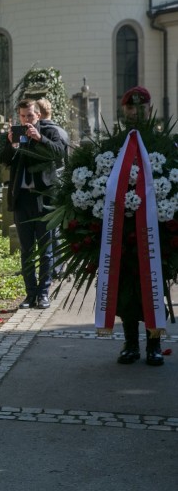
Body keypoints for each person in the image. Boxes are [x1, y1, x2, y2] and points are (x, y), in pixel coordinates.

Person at [113, 85, 164, 366]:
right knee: (126, 289)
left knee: (154, 286)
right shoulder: (114, 142)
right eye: (130, 108)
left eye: (140, 107)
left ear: (148, 108)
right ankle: (130, 343)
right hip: (125, 227)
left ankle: (154, 345)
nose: (135, 113)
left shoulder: (161, 141)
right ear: (124, 111)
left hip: (156, 228)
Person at [0, 98, 65, 310]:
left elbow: (59, 153)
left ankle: (44, 294)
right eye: (22, 116)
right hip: (22, 200)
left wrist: (39, 139)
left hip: (44, 198)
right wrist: (11, 144)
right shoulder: (17, 134)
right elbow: (4, 160)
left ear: (38, 115)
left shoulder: (48, 132)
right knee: (27, 250)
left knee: (45, 249)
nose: (26, 120)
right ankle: (30, 294)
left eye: (30, 116)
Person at [35, 98, 69, 278]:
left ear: (38, 114)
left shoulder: (46, 132)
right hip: (62, 182)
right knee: (58, 226)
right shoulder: (62, 131)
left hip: (47, 184)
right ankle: (61, 264)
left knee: (49, 227)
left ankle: (56, 267)